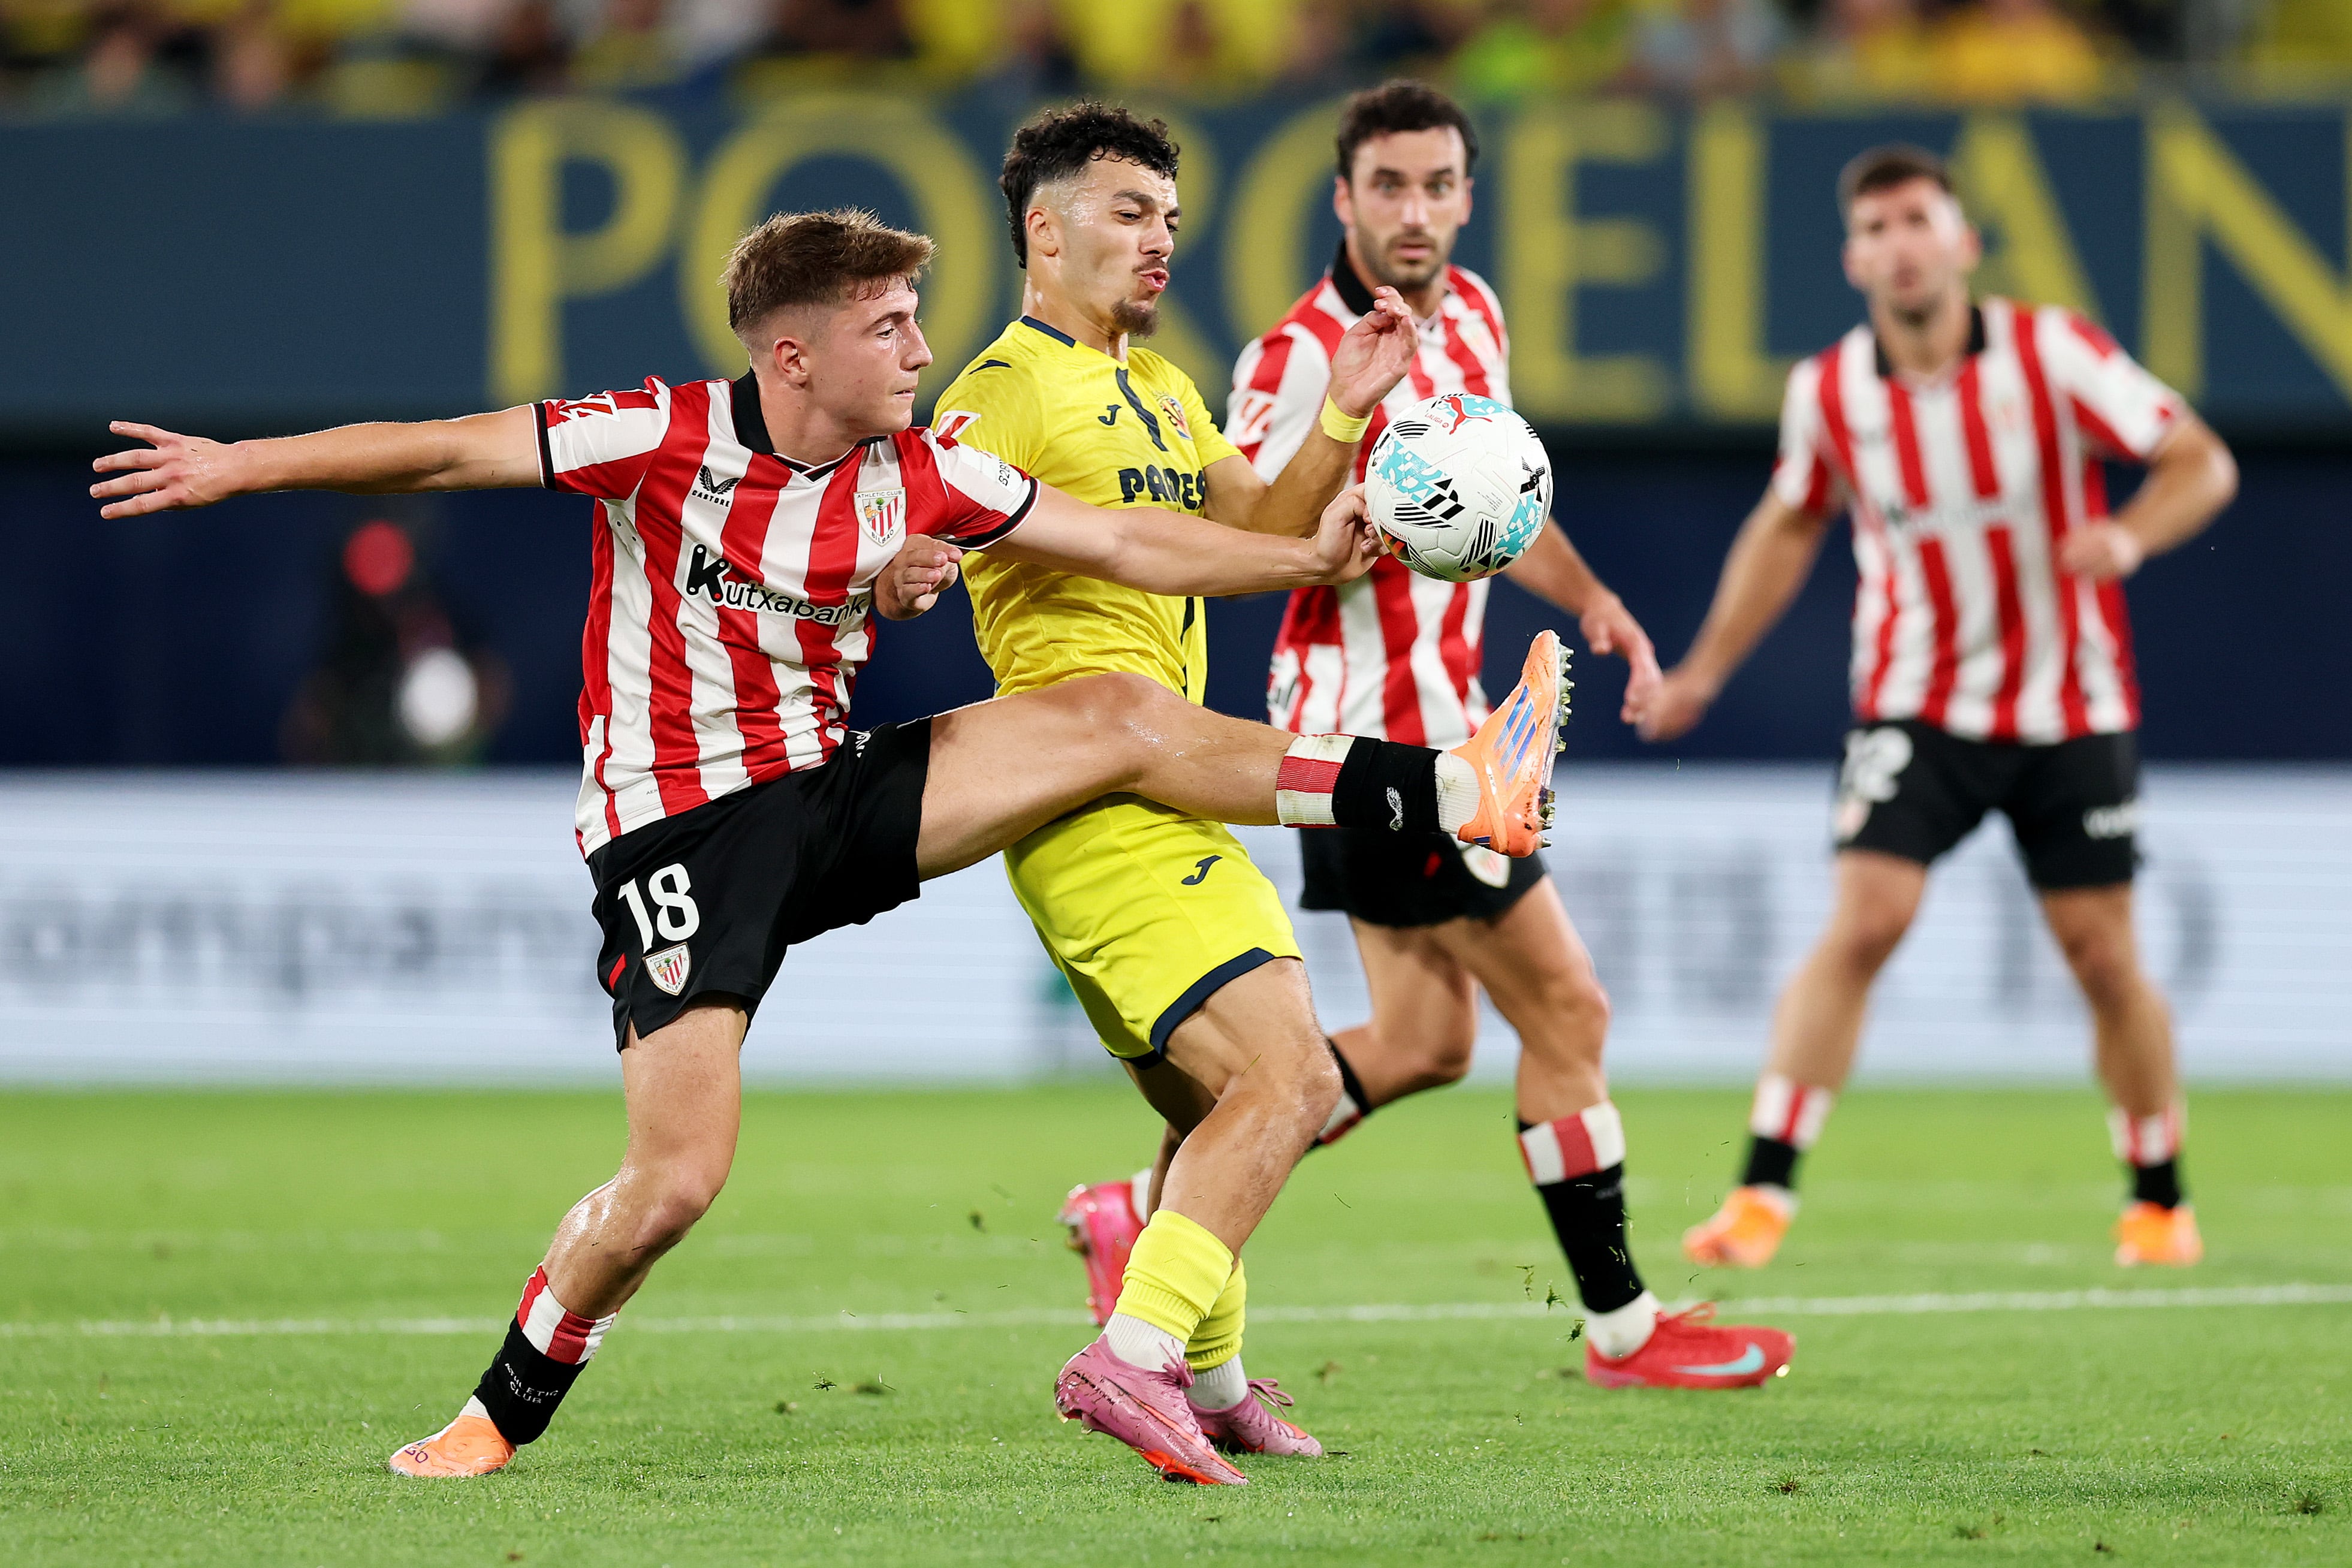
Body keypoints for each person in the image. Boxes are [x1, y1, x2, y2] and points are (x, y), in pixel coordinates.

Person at [89, 206, 1569, 1485]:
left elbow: (1125, 544)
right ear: (792, 356)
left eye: (917, 318)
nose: (922, 350)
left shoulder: (919, 473)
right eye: (890, 326)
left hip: (835, 792)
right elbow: (441, 455)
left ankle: (1452, 790)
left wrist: (1302, 554)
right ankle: (500, 1409)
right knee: (675, 1183)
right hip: (681, 832)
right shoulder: (660, 435)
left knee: (1117, 709)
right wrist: (240, 465)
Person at [1059, 79, 1796, 1395]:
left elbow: (1499, 507)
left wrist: (1592, 598)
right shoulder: (1298, 355)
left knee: (1424, 1041)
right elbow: (1246, 539)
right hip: (1375, 741)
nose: (1415, 210)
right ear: (1344, 198)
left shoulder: (1480, 316)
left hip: (1445, 728)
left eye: (1438, 185)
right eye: (1388, 185)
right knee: (1567, 1005)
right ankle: (1625, 1329)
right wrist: (1336, 530)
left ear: (1466, 197)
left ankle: (1143, 1208)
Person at [927, 101, 1567, 1482]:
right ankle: (1135, 1354)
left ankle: (1210, 1383)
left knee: (1213, 1105)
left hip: (1174, 781)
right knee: (1290, 1076)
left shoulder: (1162, 387)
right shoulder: (1002, 387)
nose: (1160, 238)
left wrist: (1342, 410)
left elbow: (1266, 532)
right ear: (1044, 232)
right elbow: (943, 516)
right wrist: (902, 555)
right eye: (1127, 212)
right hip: (1090, 783)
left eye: (1169, 216)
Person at [1644, 146, 2238, 1273]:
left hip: (2070, 706)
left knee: (2102, 956)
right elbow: (1788, 524)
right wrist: (1705, 670)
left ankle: (2160, 1201)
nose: (1901, 245)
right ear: (1853, 260)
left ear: (1963, 242)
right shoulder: (1829, 391)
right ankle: (1761, 1195)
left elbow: (2201, 462)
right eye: (1877, 228)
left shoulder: (2052, 351)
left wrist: (2128, 536)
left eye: (1919, 220)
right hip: (1913, 705)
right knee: (1866, 921)